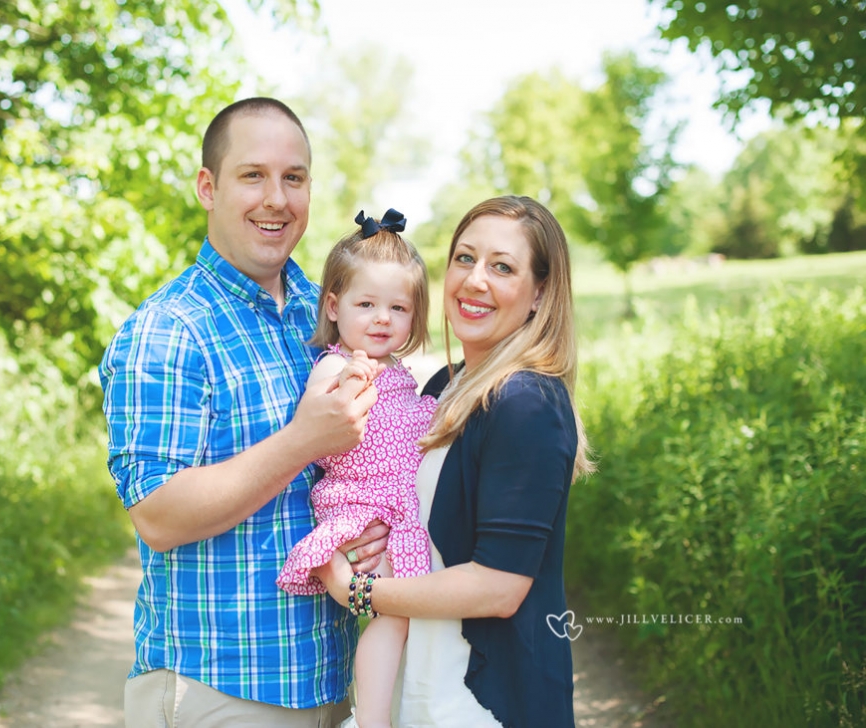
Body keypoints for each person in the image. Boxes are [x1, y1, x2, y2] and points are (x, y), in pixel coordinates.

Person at [98, 97, 389, 728]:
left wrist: (370, 527)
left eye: (294, 178)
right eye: (252, 175)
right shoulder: (169, 329)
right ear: (208, 187)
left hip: (333, 680)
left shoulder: (328, 313)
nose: (276, 199)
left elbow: (350, 469)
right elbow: (158, 516)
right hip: (220, 689)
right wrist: (301, 441)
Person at [314, 195, 595, 728]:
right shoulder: (444, 387)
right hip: (423, 681)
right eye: (465, 258)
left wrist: (357, 589)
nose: (475, 280)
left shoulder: (526, 403)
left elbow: (499, 586)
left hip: (486, 701)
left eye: (503, 267)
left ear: (539, 294)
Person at [276, 209, 437, 728]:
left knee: (404, 617)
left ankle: (387, 710)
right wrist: (348, 382)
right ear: (334, 306)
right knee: (393, 615)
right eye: (366, 304)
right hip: (360, 504)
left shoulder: (399, 372)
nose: (382, 318)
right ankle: (372, 719)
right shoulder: (334, 364)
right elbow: (316, 426)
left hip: (397, 509)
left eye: (398, 307)